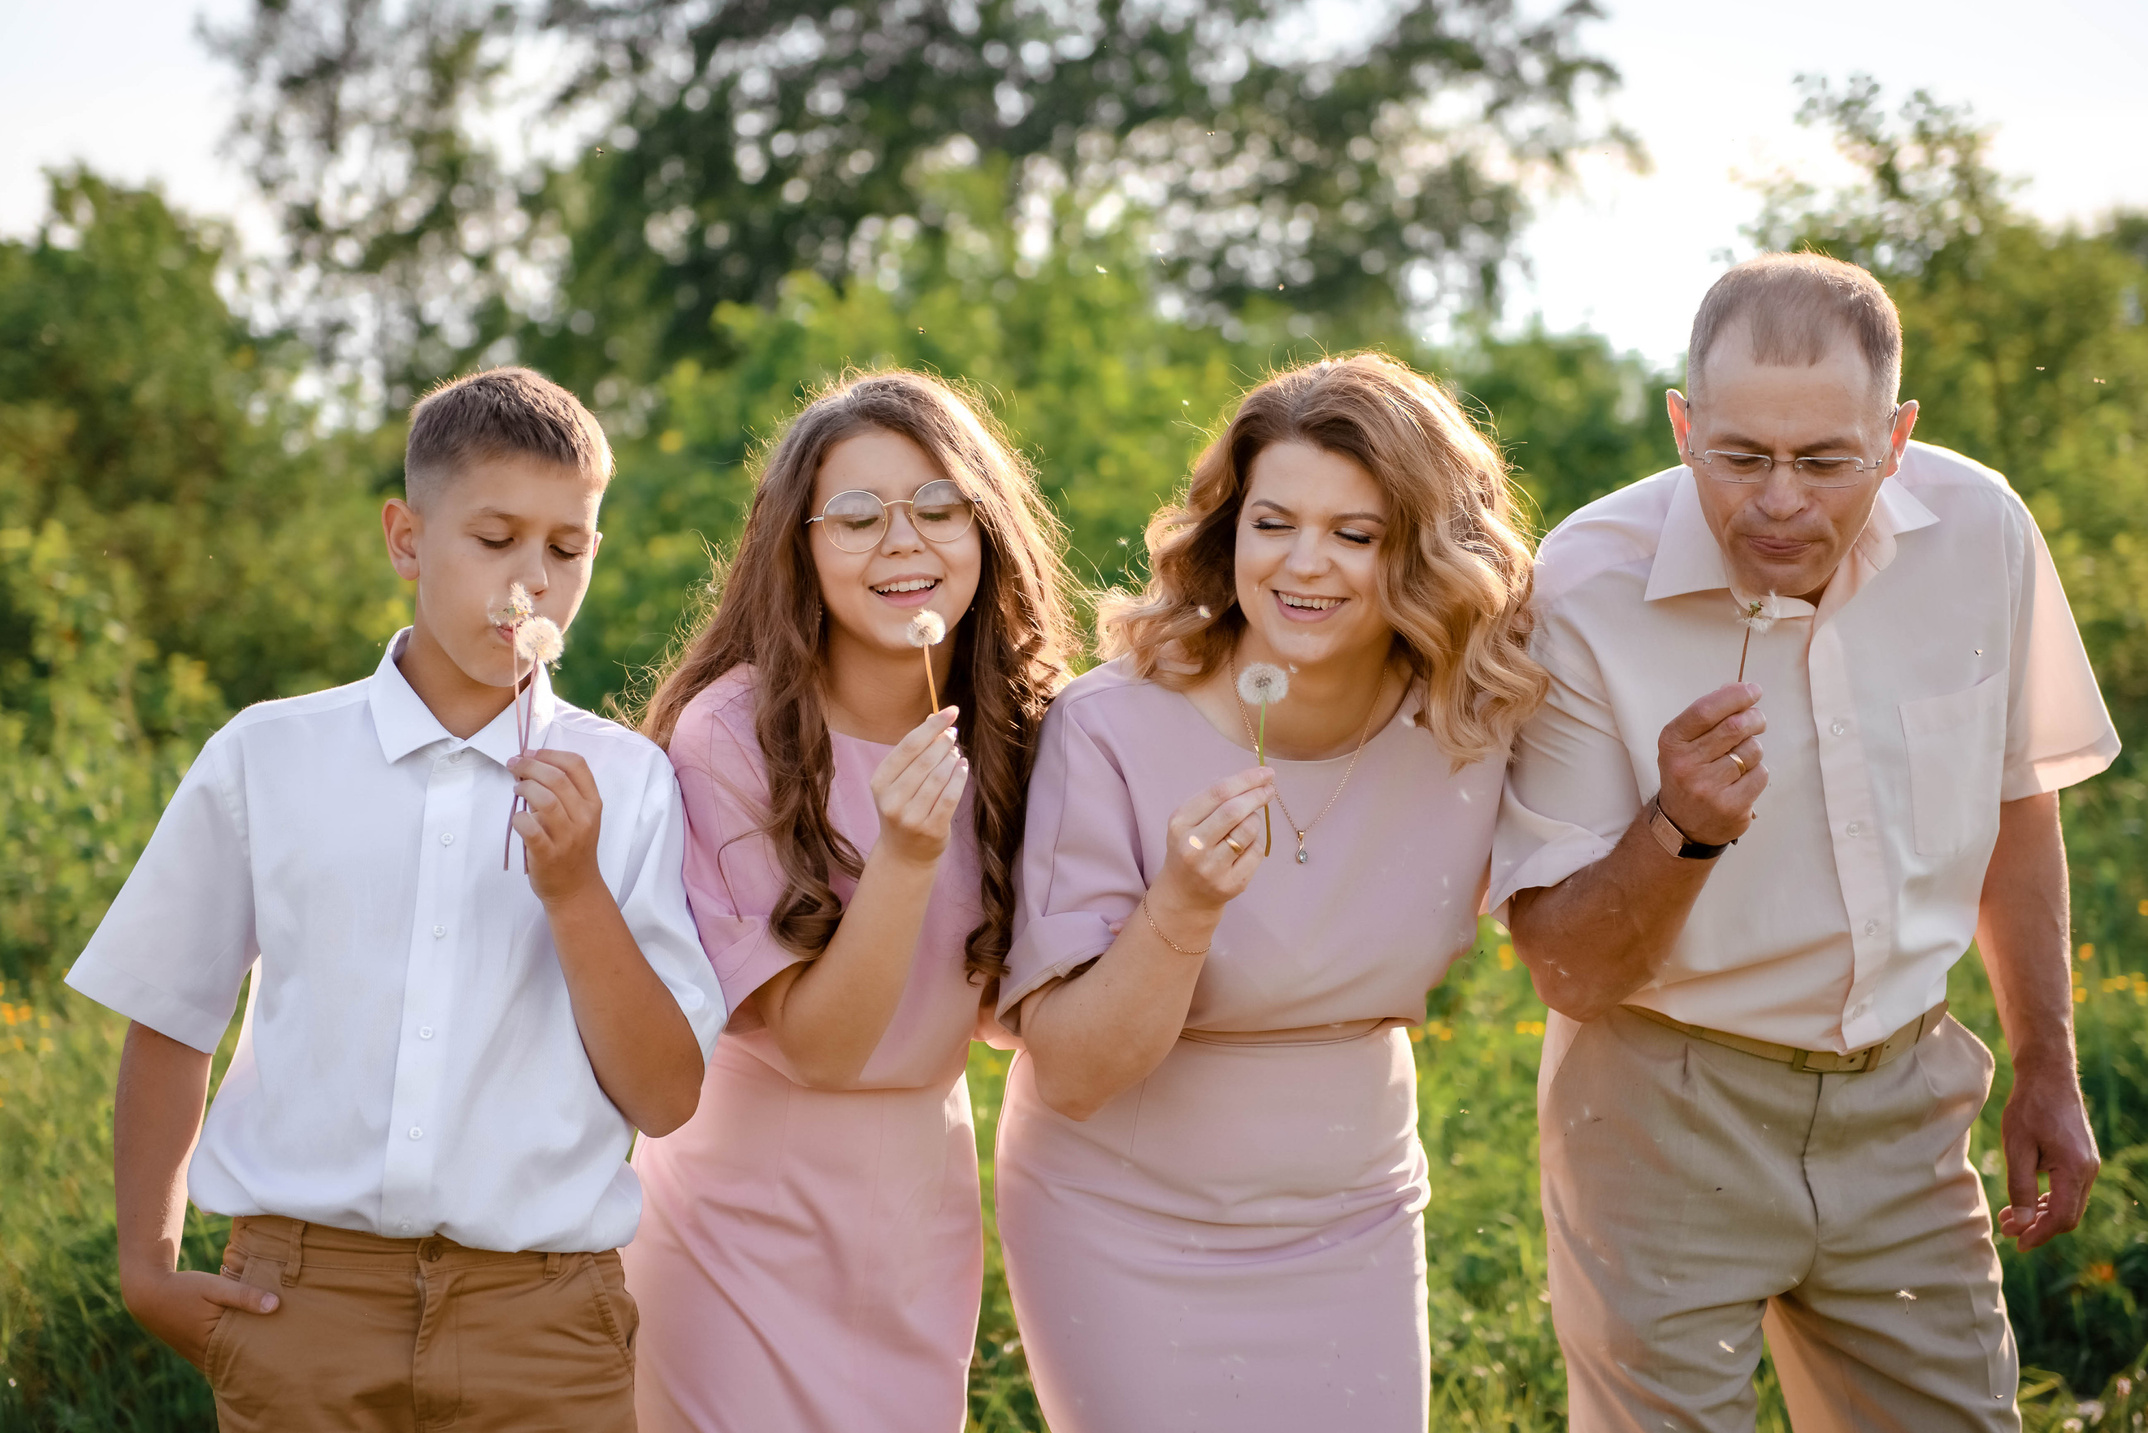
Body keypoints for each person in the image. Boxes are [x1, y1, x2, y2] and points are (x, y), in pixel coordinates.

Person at [1494, 252, 2120, 1431]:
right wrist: (1677, 828)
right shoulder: (1583, 585)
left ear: (1894, 437)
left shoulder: (1981, 528)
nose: (1781, 500)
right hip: (1659, 1108)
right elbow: (1566, 968)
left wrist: (2048, 1060)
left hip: (1906, 1099)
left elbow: (2016, 802)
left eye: (1827, 461)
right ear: (1684, 425)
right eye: (1740, 457)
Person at [65, 366, 729, 1431]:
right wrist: (147, 1266)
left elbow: (664, 1094)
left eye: (568, 549)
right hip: (303, 1298)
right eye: (496, 538)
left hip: (544, 1317)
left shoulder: (632, 782)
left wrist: (573, 890)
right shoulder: (268, 755)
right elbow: (173, 1010)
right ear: (407, 538)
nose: (532, 583)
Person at [993, 352, 1546, 1432]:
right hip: (1120, 1223)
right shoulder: (1110, 725)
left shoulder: (1474, 724)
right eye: (1273, 522)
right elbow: (1070, 1067)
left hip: (1354, 1215)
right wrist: (1181, 912)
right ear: (1227, 531)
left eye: (1357, 533)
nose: (1306, 565)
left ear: (1427, 552)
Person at [622, 371, 1074, 1433]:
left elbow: (1017, 1011)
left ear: (987, 527)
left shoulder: (1030, 722)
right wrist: (907, 855)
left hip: (916, 1202)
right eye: (858, 516)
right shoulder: (731, 733)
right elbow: (821, 1048)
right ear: (799, 546)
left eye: (938, 508)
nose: (902, 542)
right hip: (737, 1209)